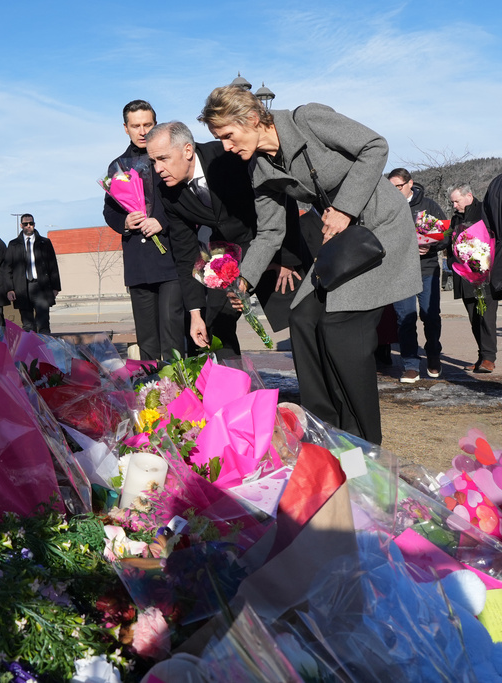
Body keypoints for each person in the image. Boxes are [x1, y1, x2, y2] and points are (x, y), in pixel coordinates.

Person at [199, 86, 421, 444]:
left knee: (339, 327)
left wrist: (346, 208)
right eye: (218, 138)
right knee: (301, 317)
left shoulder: (308, 120)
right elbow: (270, 232)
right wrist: (243, 282)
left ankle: (363, 441)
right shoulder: (261, 169)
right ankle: (326, 429)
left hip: (381, 232)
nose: (226, 146)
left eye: (228, 135)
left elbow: (375, 145)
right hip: (343, 244)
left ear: (252, 119)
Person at [146, 120, 302, 358]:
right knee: (214, 325)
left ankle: (319, 393)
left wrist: (286, 257)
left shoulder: (227, 156)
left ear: (187, 150)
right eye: (153, 161)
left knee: (300, 321)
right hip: (228, 256)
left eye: (163, 159)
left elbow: (279, 196)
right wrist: (195, 313)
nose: (157, 169)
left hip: (270, 243)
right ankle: (233, 390)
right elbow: (186, 254)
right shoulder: (167, 191)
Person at [102, 100, 185, 361]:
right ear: (125, 128)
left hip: (171, 259)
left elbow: (184, 200)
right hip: (138, 264)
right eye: (135, 125)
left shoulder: (168, 157)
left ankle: (180, 392)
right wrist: (125, 222)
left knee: (172, 332)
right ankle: (153, 393)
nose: (142, 131)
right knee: (147, 339)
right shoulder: (117, 166)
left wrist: (161, 220)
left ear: (156, 124)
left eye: (147, 124)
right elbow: (110, 210)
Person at [387, 168, 448, 381]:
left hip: (426, 269)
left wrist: (431, 247)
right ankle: (411, 365)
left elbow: (445, 236)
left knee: (430, 316)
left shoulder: (429, 205)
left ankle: (433, 355)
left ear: (410, 183)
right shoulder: (387, 206)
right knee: (405, 318)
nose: (395, 191)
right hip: (399, 271)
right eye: (391, 187)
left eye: (399, 187)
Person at [448, 182, 496, 373]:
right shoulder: (455, 219)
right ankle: (481, 356)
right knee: (474, 318)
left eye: (456, 201)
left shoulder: (485, 211)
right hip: (465, 275)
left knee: (486, 317)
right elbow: (449, 241)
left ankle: (489, 358)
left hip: (485, 274)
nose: (454, 206)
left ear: (469, 196)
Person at [4, 214, 61, 333]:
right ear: (21, 226)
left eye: (31, 223)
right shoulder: (13, 244)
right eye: (26, 224)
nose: (29, 226)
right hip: (22, 288)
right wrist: (10, 289)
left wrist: (55, 287)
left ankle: (45, 349)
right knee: (28, 325)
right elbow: (8, 268)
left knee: (43, 323)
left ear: (34, 224)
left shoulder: (44, 242)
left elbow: (53, 266)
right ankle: (30, 350)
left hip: (41, 286)